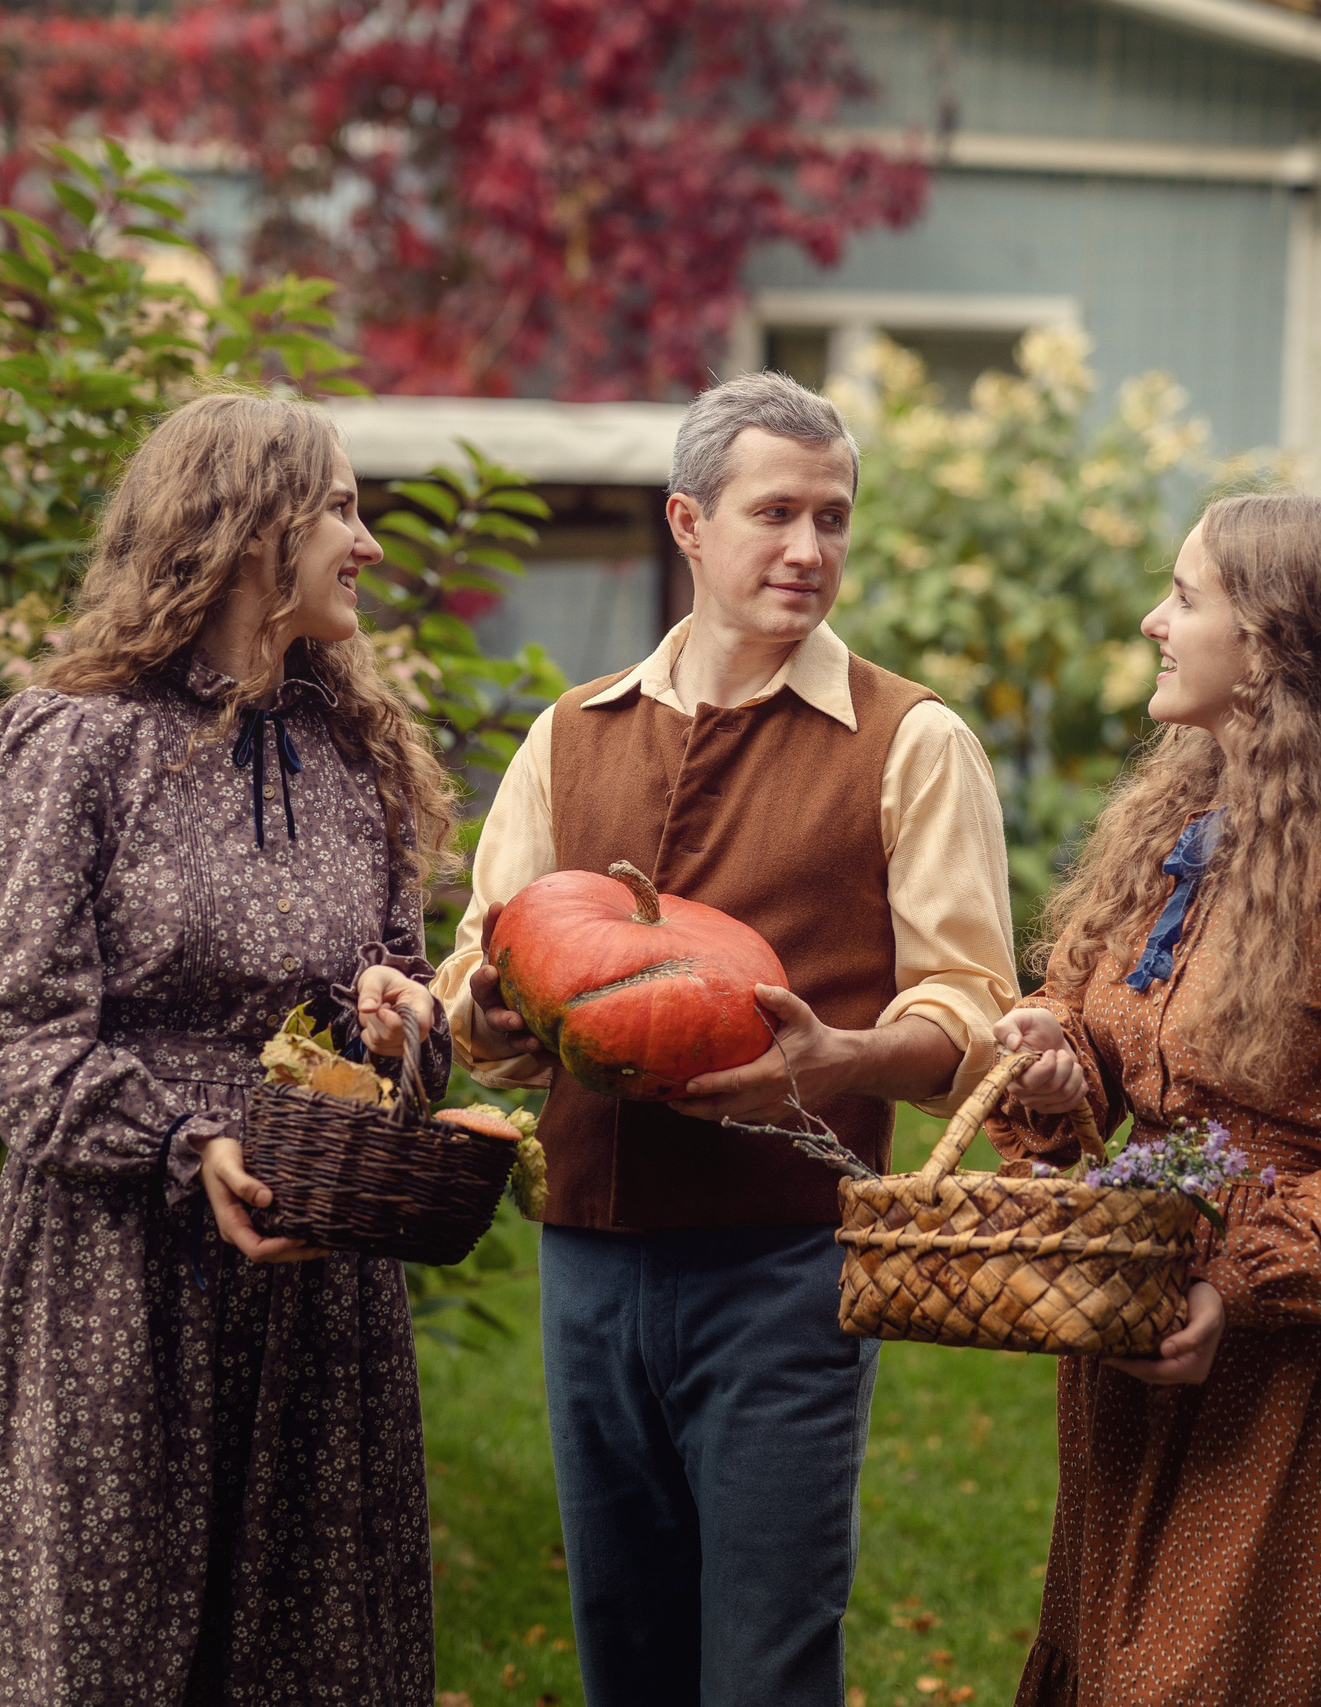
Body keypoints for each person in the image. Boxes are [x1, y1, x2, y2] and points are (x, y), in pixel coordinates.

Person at [433, 369, 1020, 1704]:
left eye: (835, 518)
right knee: (626, 1652)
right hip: (590, 1261)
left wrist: (845, 1059)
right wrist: (486, 1007)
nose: (810, 549)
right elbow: (490, 982)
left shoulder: (913, 741)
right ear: (690, 524)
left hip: (785, 1263)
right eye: (776, 513)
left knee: (764, 1658)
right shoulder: (569, 736)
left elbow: (972, 1012)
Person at [0, 390, 454, 1706]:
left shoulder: (358, 754)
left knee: (314, 1664)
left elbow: (385, 1019)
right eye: (343, 506)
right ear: (246, 534)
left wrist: (406, 1030)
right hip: (117, 1287)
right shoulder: (78, 743)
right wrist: (186, 1145)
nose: (372, 543)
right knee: (100, 1663)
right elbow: (16, 1025)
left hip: (316, 1295)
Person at [987, 491, 1321, 1706]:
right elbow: (1108, 1040)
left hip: (1274, 1378)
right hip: (1131, 1339)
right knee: (1115, 1662)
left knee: (1205, 1677)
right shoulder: (1171, 832)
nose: (1157, 621)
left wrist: (1234, 1286)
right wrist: (1062, 1066)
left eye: (1186, 597)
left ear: (1264, 643)